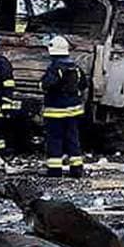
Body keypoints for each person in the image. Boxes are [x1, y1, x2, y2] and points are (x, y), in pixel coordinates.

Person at [40, 35, 87, 178]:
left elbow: (47, 85)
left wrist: (42, 84)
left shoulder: (55, 67)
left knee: (55, 139)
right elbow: (83, 84)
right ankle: (76, 170)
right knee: (73, 139)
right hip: (73, 111)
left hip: (56, 111)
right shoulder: (75, 66)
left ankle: (55, 170)